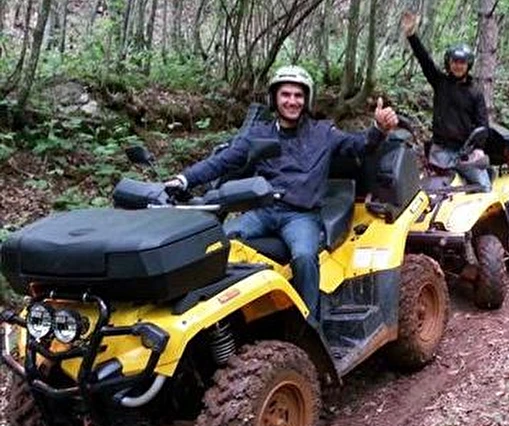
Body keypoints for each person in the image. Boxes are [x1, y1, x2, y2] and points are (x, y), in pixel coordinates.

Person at [164, 65, 399, 321]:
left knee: (304, 257)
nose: (292, 101)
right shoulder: (258, 134)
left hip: (301, 216)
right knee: (215, 242)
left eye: (298, 95)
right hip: (263, 212)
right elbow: (222, 161)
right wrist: (184, 179)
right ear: (274, 98)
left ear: (307, 100)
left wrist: (378, 129)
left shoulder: (323, 132)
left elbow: (359, 145)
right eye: (286, 95)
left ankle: (310, 322)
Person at [401, 11, 491, 191]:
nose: (458, 66)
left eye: (462, 62)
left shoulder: (475, 92)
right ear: (449, 63)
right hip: (440, 150)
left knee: (484, 188)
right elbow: (425, 61)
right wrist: (412, 35)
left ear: (468, 65)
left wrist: (478, 148)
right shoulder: (440, 82)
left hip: (466, 153)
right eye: (454, 61)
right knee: (433, 192)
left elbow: (483, 125)